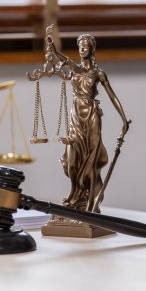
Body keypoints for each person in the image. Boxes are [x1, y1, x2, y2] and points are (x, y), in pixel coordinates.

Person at [30, 26, 130, 213]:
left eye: (85, 46)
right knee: (72, 159)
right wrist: (52, 47)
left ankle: (91, 202)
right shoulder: (75, 68)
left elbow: (112, 96)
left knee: (91, 159)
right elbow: (63, 59)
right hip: (75, 114)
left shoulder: (99, 73)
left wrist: (124, 119)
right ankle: (75, 195)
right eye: (80, 46)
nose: (82, 49)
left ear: (92, 49)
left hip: (91, 116)